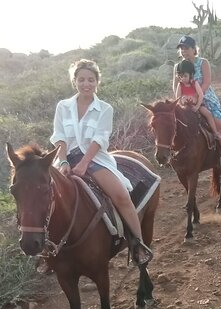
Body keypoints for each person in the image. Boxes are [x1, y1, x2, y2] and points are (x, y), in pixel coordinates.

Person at [49, 59, 153, 266]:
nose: (86, 84)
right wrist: (62, 162)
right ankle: (48, 251)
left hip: (93, 158)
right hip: (64, 158)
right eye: (81, 80)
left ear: (97, 82)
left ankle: (138, 244)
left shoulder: (104, 108)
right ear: (74, 82)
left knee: (121, 196)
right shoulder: (63, 106)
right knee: (42, 197)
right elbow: (59, 136)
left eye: (90, 79)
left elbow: (100, 139)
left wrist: (84, 164)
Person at [173, 35, 221, 167]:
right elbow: (175, 85)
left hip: (204, 97)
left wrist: (196, 97)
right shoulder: (178, 66)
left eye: (186, 48)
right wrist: (181, 99)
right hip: (184, 99)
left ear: (194, 49)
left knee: (220, 124)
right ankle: (171, 154)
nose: (184, 51)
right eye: (181, 49)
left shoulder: (203, 62)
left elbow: (206, 82)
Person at [175, 59, 221, 141]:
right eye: (180, 76)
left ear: (191, 75)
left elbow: (201, 95)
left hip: (196, 105)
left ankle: (215, 132)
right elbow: (178, 97)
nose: (182, 78)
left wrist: (197, 106)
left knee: (208, 114)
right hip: (184, 106)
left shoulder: (195, 83)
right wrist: (181, 104)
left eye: (185, 76)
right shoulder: (180, 85)